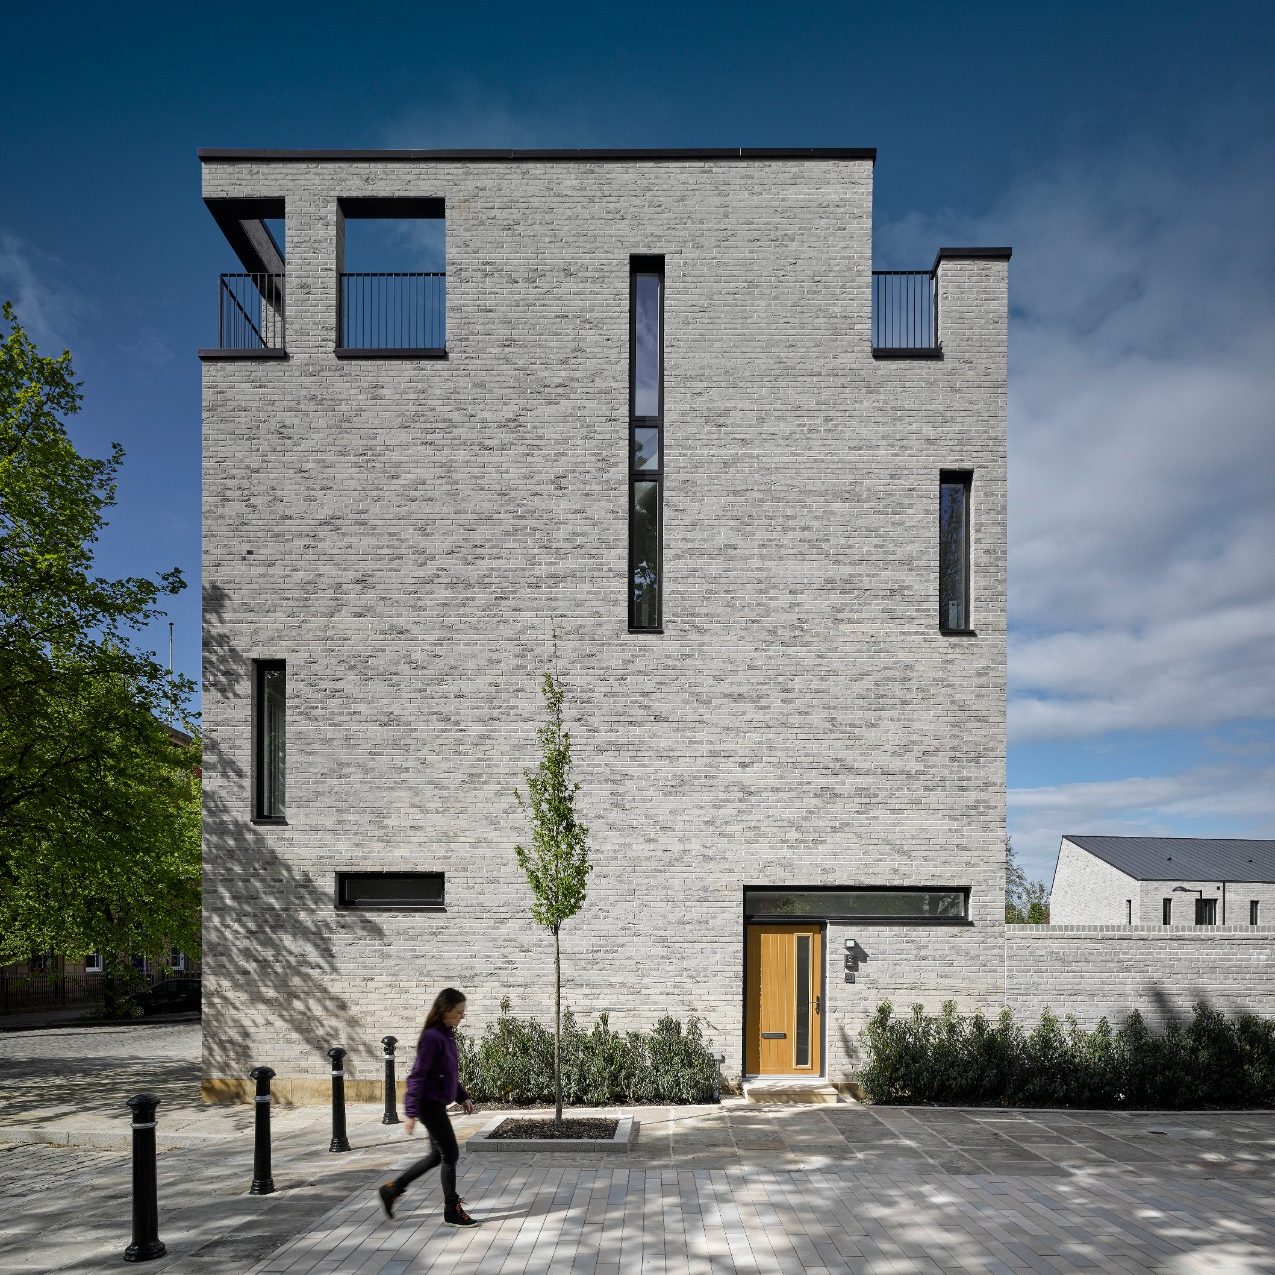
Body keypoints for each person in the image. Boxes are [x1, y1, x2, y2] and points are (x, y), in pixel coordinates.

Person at [377, 987, 479, 1225]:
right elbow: (418, 1076)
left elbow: (448, 1073)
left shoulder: (447, 1033)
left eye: (463, 1012)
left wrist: (462, 1096)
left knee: (436, 1156)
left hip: (435, 1103)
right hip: (427, 1104)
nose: (462, 1016)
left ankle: (392, 1189)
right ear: (445, 1010)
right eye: (458, 1012)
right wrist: (411, 1112)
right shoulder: (433, 1037)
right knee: (450, 1154)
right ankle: (451, 1210)